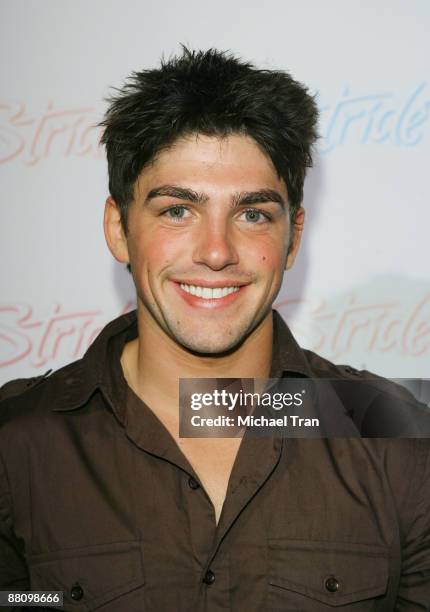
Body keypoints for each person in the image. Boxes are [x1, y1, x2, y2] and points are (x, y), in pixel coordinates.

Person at [0, 47, 429, 611]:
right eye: (178, 210)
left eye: (253, 214)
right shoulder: (15, 442)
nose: (217, 252)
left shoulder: (396, 435)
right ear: (119, 228)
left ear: (293, 238)